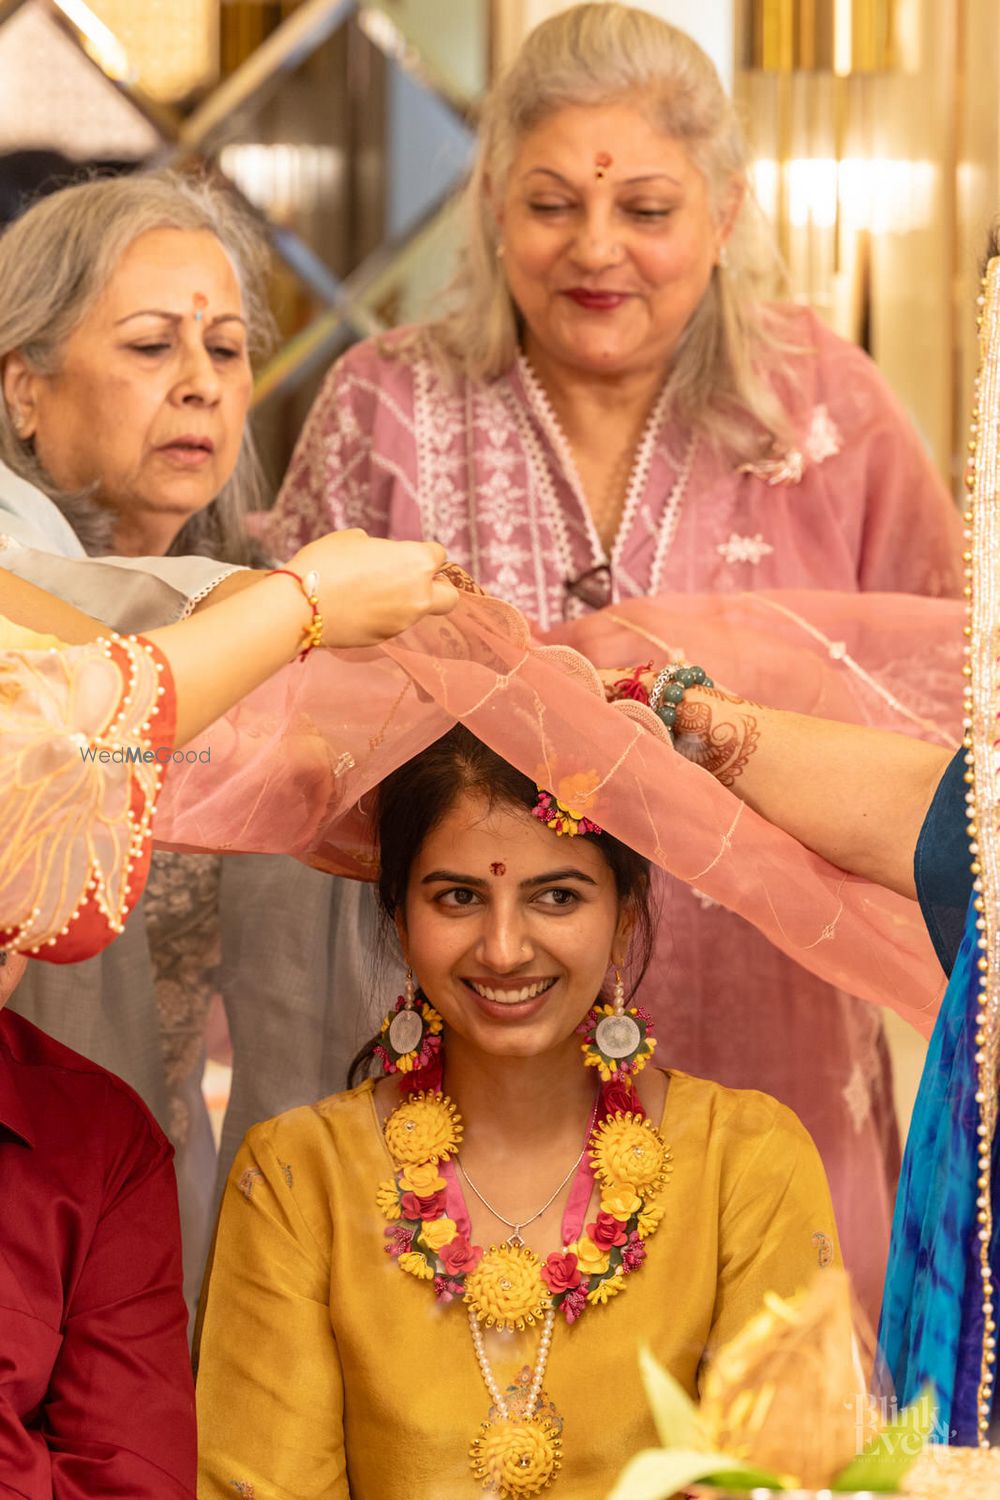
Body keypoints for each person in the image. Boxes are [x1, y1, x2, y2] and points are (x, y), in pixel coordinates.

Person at [252, 1, 963, 1324]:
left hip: (777, 1055)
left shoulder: (830, 412)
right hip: (467, 1057)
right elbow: (292, 747)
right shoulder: (385, 407)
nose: (597, 252)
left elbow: (941, 725)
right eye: (551, 205)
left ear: (728, 209)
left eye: (646, 208)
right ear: (489, 202)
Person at [0, 168, 456, 1312]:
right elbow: (82, 710)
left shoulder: (251, 613)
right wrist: (297, 609)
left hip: (160, 1185)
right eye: (152, 346)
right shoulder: (46, 612)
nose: (202, 386)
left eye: (228, 347)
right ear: (23, 389)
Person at [195, 726, 840, 1500]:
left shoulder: (745, 1160)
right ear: (400, 919)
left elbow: (787, 1480)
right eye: (459, 897)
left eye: (557, 896)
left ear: (625, 915)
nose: (503, 949)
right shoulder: (301, 1177)